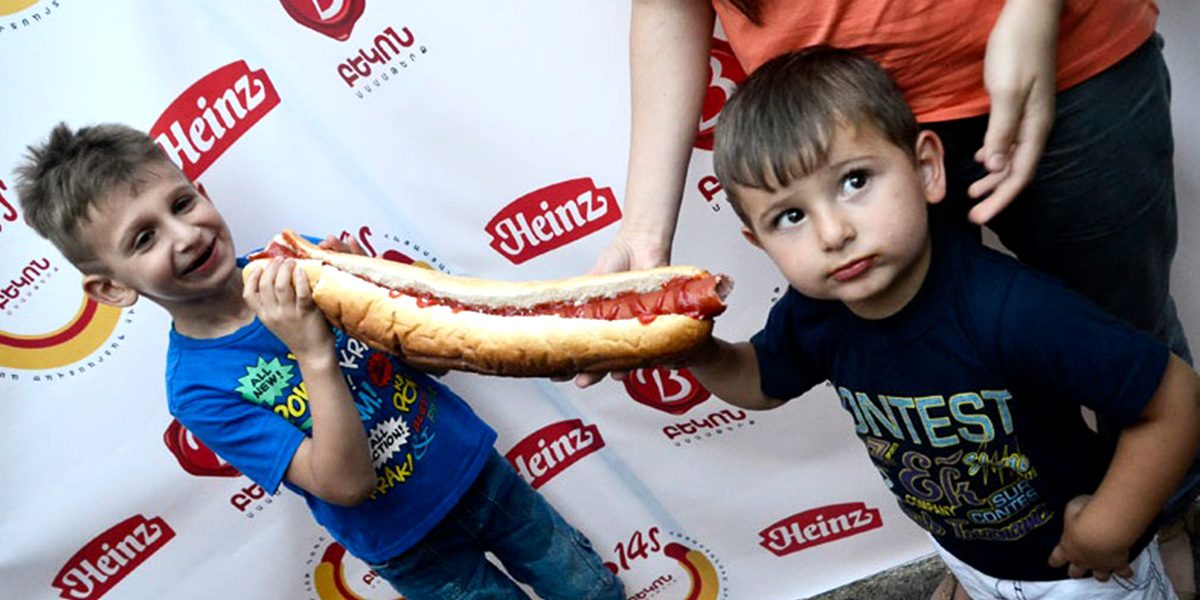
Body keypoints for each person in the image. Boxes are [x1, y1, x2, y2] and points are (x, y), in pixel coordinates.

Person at [594, 1, 1196, 595]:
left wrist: (1112, 527)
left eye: (855, 183)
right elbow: (760, 381)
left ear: (927, 168)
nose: (834, 234)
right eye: (791, 216)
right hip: (965, 546)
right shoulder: (815, 313)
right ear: (757, 241)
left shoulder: (1015, 309)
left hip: (1080, 568)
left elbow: (1171, 398)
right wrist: (697, 351)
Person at [15, 122, 625, 600]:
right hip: (411, 546)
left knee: (591, 590)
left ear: (203, 193)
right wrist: (312, 350)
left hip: (479, 474)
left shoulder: (300, 265)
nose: (185, 235)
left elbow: (434, 364)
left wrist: (381, 299)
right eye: (143, 239)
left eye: (181, 203)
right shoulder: (199, 390)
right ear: (112, 288)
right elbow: (345, 484)